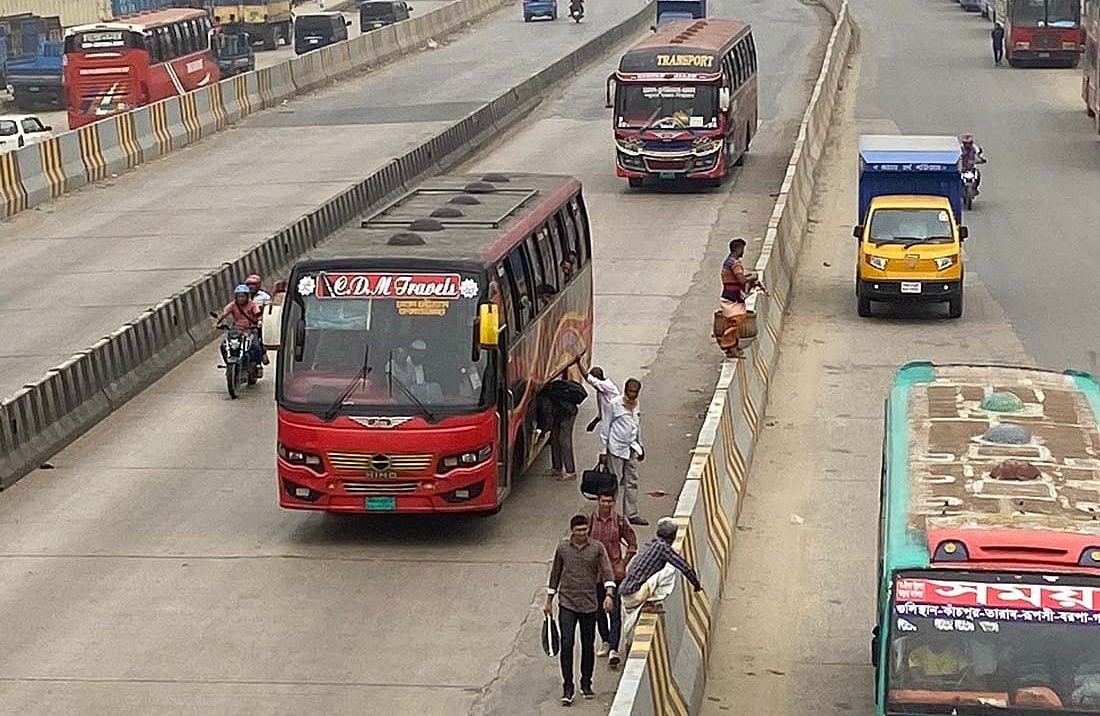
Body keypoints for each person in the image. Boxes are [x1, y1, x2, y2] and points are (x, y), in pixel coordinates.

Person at [545, 514, 616, 706]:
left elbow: (607, 570)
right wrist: (549, 600)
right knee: (567, 643)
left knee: (588, 644)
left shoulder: (597, 548)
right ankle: (568, 687)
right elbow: (555, 574)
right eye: (578, 530)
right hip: (567, 602)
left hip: (589, 604)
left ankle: (586, 683)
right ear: (572, 531)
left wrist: (609, 594)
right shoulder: (562, 549)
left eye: (585, 530)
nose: (582, 533)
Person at [619, 518, 703, 648]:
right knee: (670, 570)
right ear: (673, 536)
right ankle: (653, 600)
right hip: (635, 594)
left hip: (626, 594)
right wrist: (697, 585)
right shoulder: (663, 548)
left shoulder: (650, 544)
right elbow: (684, 567)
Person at [589, 488, 637, 668]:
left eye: (610, 501)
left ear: (613, 502)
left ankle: (614, 649)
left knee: (615, 611)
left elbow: (632, 544)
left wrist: (623, 563)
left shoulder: (619, 522)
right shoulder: (591, 521)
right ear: (598, 501)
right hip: (595, 574)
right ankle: (606, 640)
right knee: (597, 611)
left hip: (615, 573)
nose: (606, 504)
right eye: (603, 501)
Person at [599, 378, 647, 526]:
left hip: (631, 448)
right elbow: (605, 427)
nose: (632, 395)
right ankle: (610, 514)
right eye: (630, 392)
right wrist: (603, 451)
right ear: (625, 390)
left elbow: (636, 426)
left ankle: (631, 514)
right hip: (616, 449)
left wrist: (640, 446)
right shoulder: (614, 404)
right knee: (615, 481)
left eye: (635, 393)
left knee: (632, 481)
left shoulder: (636, 405)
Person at [715, 238, 757, 359]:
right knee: (736, 320)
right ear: (738, 249)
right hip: (732, 296)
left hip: (729, 294)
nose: (743, 251)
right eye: (742, 249)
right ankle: (730, 346)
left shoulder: (727, 261)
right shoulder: (735, 263)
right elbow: (741, 280)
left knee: (734, 321)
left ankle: (733, 346)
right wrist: (752, 278)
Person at [540, 378, 587, 481]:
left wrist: (543, 431)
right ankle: (557, 468)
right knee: (555, 439)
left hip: (567, 414)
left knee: (564, 440)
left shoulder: (545, 399)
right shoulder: (549, 394)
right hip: (559, 413)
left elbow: (547, 416)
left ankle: (571, 471)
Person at [212, 284, 264, 371]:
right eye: (239, 296)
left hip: (250, 330)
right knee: (224, 346)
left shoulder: (252, 305)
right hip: (236, 330)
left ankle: (258, 365)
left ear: (247, 296)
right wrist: (217, 322)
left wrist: (259, 321)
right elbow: (224, 313)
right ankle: (229, 365)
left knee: (255, 346)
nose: (241, 298)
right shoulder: (232, 305)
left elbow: (257, 313)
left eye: (243, 296)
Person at [585, 366, 621, 444]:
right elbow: (602, 412)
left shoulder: (606, 386)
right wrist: (594, 422)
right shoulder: (601, 391)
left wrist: (578, 362)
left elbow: (588, 378)